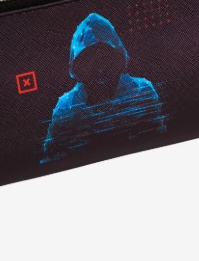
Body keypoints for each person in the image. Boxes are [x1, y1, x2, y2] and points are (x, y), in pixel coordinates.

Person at [41, 13, 165, 162]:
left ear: (118, 58)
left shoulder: (141, 92)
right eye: (90, 59)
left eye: (105, 57)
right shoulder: (66, 108)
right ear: (79, 66)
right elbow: (52, 158)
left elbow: (158, 140)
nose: (99, 68)